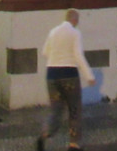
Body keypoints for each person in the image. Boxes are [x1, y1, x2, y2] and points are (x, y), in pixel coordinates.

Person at [37, 9, 95, 151]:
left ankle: (45, 134)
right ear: (74, 20)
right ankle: (73, 145)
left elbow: (45, 52)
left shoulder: (53, 31)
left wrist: (56, 56)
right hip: (69, 74)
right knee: (74, 109)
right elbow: (78, 55)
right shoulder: (75, 33)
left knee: (55, 109)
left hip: (51, 75)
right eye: (78, 20)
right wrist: (89, 76)